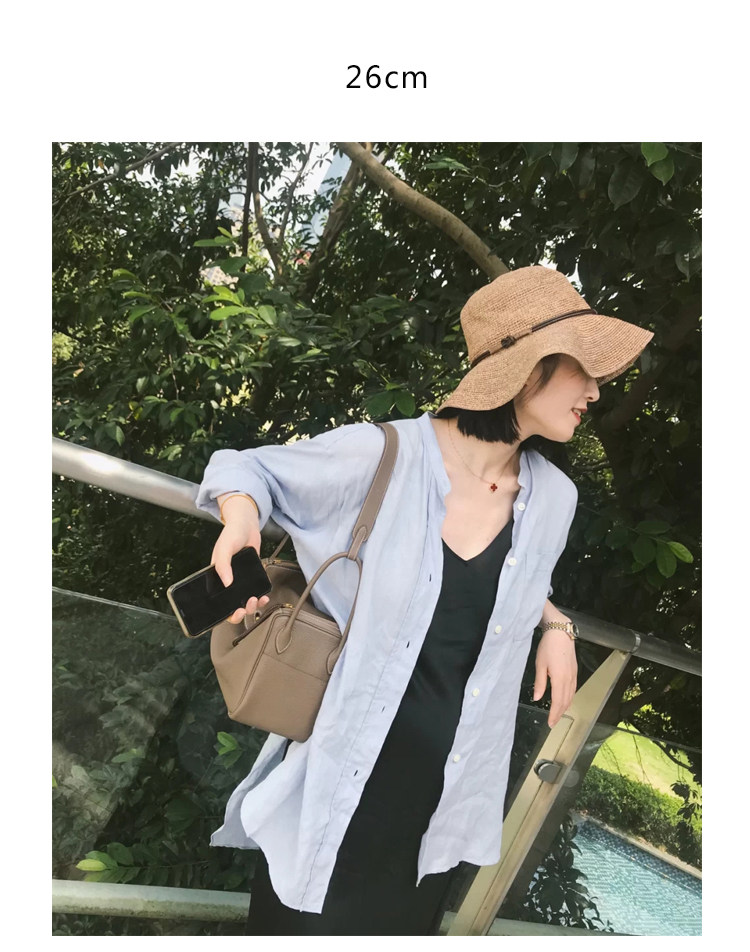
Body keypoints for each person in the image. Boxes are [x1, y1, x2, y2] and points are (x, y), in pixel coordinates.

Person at [194, 264, 653, 935]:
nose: (595, 390)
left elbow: (516, 581)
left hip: (442, 810)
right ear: (529, 369)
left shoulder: (555, 498)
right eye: (582, 369)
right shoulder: (385, 456)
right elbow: (246, 465)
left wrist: (555, 624)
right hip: (342, 788)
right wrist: (241, 517)